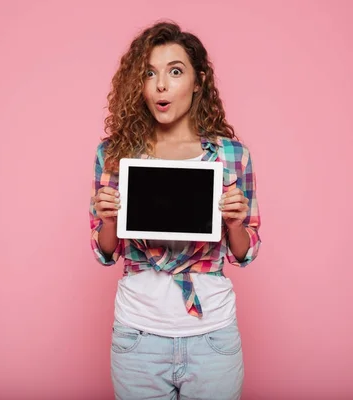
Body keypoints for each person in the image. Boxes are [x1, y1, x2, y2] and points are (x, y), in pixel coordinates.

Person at [89, 20, 261, 400]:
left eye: (175, 72)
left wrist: (234, 223)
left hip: (212, 334)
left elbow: (245, 252)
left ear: (198, 82)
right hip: (138, 336)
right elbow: (105, 251)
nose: (161, 85)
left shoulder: (232, 156)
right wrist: (109, 220)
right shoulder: (114, 155)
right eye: (149, 73)